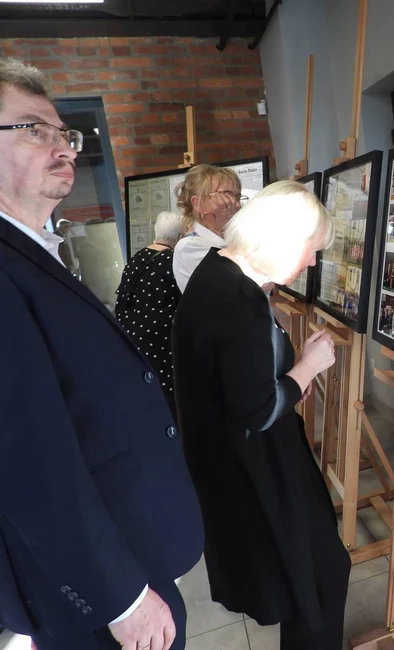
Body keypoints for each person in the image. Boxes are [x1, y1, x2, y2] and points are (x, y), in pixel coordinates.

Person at [0, 57, 203, 650]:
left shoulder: (36, 250)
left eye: (64, 133)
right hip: (100, 596)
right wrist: (122, 600)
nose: (63, 146)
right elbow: (27, 464)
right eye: (34, 129)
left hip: (128, 550)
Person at [172, 181, 350, 649]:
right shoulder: (237, 299)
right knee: (321, 577)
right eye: (311, 249)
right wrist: (308, 366)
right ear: (282, 241)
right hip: (256, 468)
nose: (312, 262)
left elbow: (242, 382)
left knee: (315, 575)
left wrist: (287, 379)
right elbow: (256, 410)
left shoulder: (219, 271)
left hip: (242, 460)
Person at [115, 211, 186, 418]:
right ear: (180, 236)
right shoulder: (172, 260)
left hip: (133, 339)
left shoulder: (136, 258)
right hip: (161, 341)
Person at [173, 164, 244, 292]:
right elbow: (237, 287)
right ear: (199, 204)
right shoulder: (190, 247)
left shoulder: (232, 239)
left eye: (237, 197)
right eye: (226, 196)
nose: (237, 205)